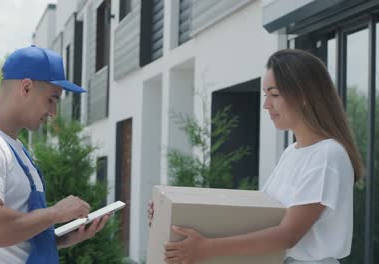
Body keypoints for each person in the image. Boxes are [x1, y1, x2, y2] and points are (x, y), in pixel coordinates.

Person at [147, 49, 363, 264]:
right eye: (265, 95)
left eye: (274, 94)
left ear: (305, 96)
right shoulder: (292, 153)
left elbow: (288, 235)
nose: (266, 105)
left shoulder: (327, 156)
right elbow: (260, 219)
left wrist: (208, 248)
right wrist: (172, 216)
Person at [0, 45, 110, 264]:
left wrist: (61, 239)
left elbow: (14, 241)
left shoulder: (15, 149)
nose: (53, 113)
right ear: (26, 88)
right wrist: (56, 213)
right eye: (51, 100)